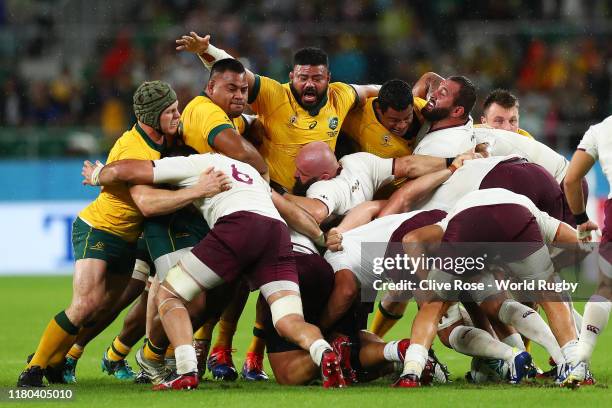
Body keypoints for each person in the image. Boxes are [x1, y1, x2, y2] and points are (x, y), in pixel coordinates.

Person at [17, 81, 228, 387]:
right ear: (152, 117)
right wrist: (199, 189)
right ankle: (34, 369)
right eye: (170, 111)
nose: (178, 116)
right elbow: (146, 205)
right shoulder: (134, 149)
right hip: (100, 228)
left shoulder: (161, 141)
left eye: (176, 108)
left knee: (104, 307)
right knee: (86, 304)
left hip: (128, 238)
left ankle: (57, 360)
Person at [82, 150, 346, 390]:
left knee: (168, 294)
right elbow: (289, 211)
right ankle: (323, 351)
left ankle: (186, 371)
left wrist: (96, 175)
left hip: (239, 225)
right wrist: (322, 238)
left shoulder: (193, 162)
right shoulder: (249, 172)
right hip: (276, 234)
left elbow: (123, 170)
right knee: (288, 320)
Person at [395, 188, 592, 388]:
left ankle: (411, 372)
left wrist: (428, 285)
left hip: (467, 223)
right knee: (548, 295)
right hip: (516, 217)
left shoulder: (452, 215)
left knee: (435, 306)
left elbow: (412, 240)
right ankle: (572, 364)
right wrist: (552, 269)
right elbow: (584, 243)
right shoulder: (539, 217)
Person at [176, 32, 381, 192]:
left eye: (317, 79)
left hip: (324, 190)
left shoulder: (341, 95)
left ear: (328, 78)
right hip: (276, 192)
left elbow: (372, 89)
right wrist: (206, 49)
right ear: (292, 76)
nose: (309, 84)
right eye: (303, 78)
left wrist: (407, 97)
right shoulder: (274, 95)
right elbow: (236, 73)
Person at [563, 115, 612, 385]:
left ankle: (580, 359)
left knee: (606, 287)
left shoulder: (601, 129)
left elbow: (570, 180)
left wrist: (581, 220)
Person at [412, 76, 477, 157]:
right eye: (438, 88)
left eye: (442, 93)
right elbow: (429, 75)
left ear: (457, 111)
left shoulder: (435, 150)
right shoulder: (463, 119)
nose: (433, 94)